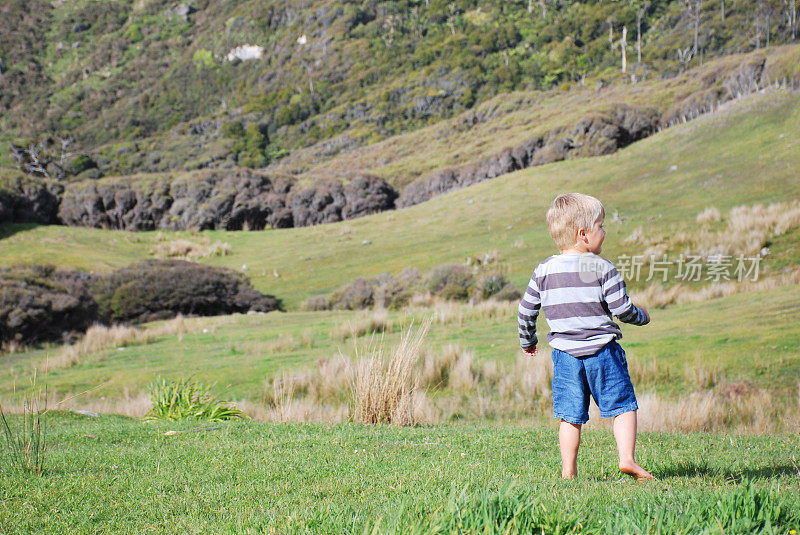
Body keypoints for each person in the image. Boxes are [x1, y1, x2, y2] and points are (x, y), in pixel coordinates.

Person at [517, 192, 655, 481]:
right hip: (604, 352)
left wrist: (528, 341)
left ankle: (569, 471)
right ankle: (627, 459)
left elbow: (526, 310)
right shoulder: (603, 268)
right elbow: (622, 309)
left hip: (565, 356)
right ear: (583, 234)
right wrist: (642, 316)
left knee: (570, 416)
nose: (604, 232)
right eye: (601, 226)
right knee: (622, 406)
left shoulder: (543, 270)